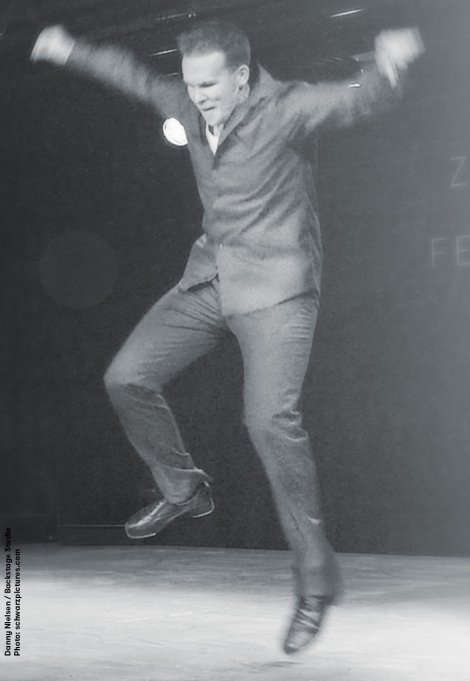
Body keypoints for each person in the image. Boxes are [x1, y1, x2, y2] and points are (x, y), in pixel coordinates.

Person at [31, 18, 424, 655]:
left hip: (277, 288)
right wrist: (70, 47)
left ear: (241, 76)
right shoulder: (185, 103)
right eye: (192, 84)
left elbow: (355, 100)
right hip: (211, 277)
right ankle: (184, 488)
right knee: (126, 376)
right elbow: (131, 76)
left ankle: (315, 587)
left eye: (211, 84)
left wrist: (387, 67)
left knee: (269, 421)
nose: (200, 95)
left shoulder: (286, 108)